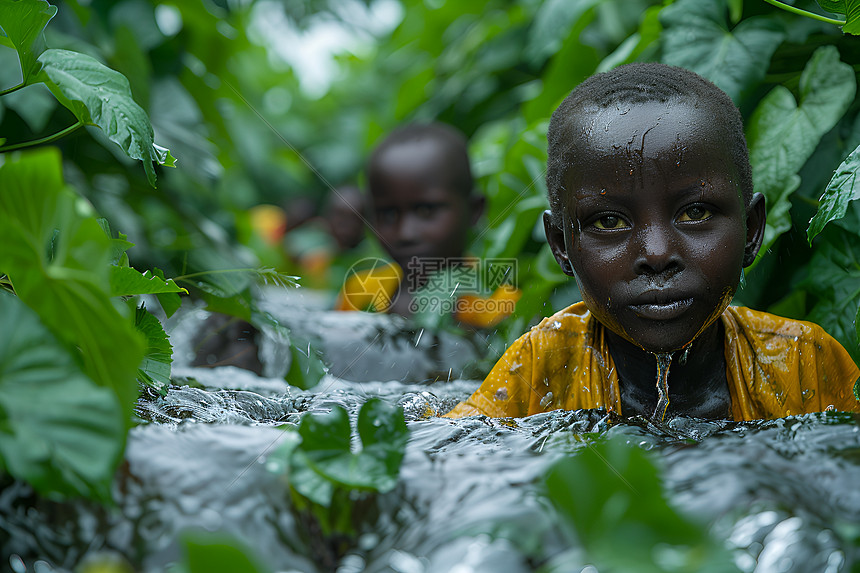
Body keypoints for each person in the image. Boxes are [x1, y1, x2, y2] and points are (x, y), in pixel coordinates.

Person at [446, 63, 859, 421]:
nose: (658, 254)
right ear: (561, 246)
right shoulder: (539, 370)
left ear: (751, 231)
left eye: (695, 213)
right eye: (609, 221)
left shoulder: (802, 363)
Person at [335, 122, 520, 328]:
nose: (405, 233)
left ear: (474, 210)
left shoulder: (500, 306)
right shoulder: (360, 294)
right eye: (388, 215)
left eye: (426, 211)